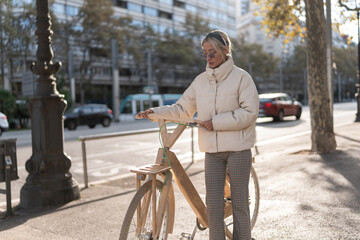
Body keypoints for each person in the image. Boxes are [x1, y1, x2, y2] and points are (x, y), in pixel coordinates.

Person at [138, 30, 259, 240]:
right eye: (205, 53)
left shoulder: (242, 78)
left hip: (238, 150)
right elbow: (182, 109)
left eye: (212, 52)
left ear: (226, 50)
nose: (208, 58)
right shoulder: (200, 81)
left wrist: (216, 122)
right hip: (212, 152)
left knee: (239, 205)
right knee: (212, 207)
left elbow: (249, 113)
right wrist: (154, 112)